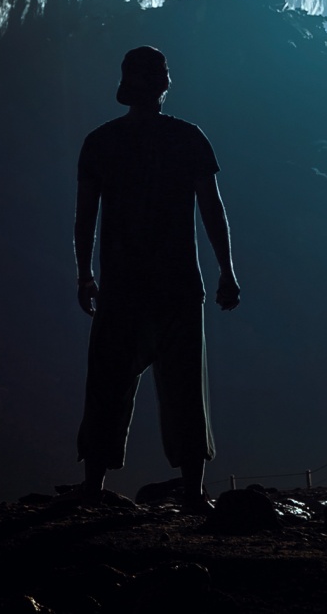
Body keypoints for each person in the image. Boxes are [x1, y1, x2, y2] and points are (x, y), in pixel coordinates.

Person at [74, 45, 240, 511]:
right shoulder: (188, 139)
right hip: (178, 286)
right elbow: (212, 209)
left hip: (122, 287)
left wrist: (84, 273)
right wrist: (227, 271)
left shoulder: (99, 143)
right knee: (185, 388)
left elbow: (84, 216)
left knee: (107, 383)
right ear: (164, 85)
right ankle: (192, 491)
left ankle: (93, 486)